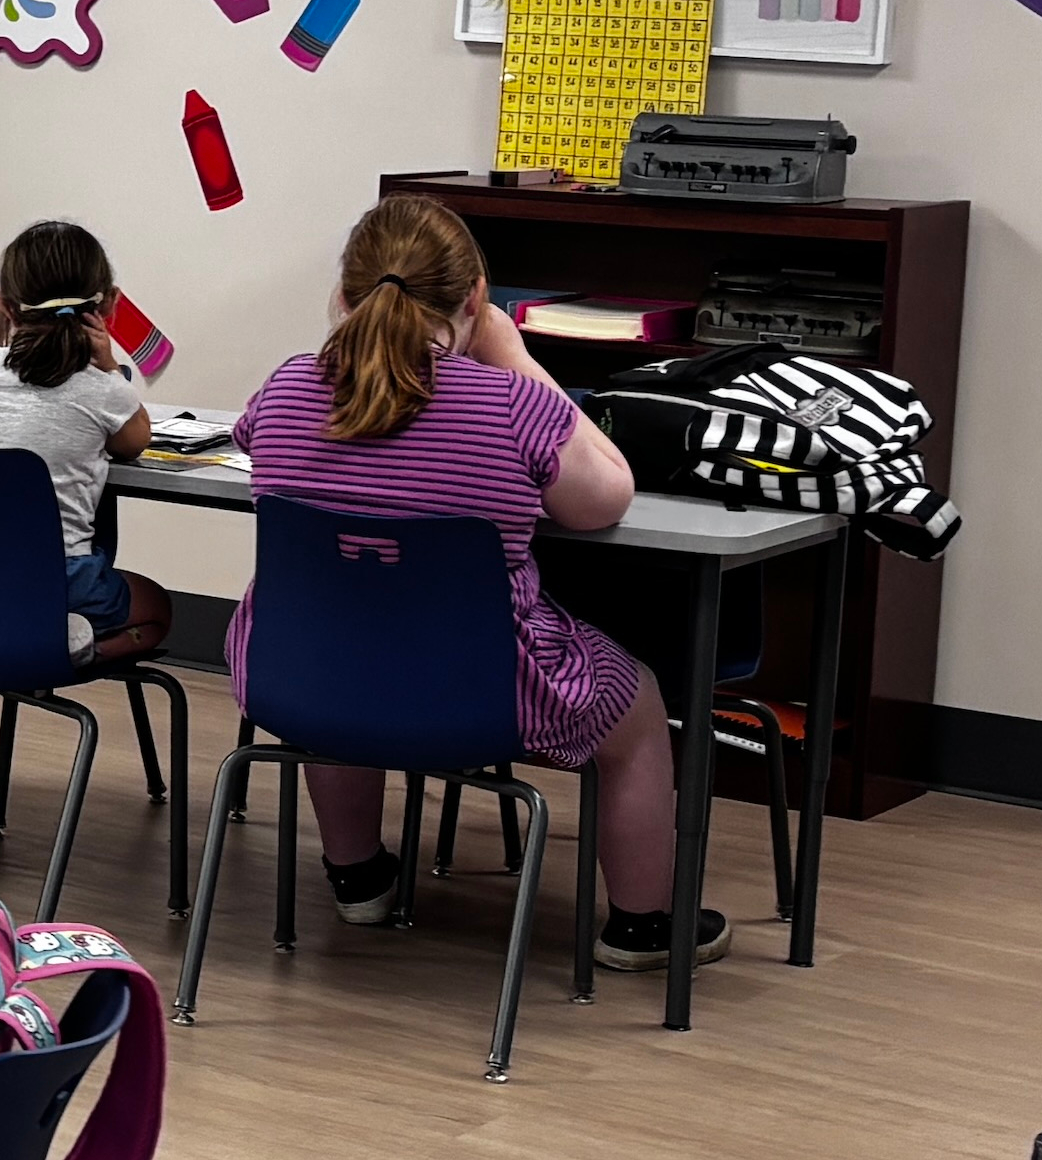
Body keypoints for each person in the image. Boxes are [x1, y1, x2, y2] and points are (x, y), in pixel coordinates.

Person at [230, 194, 724, 970]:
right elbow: (607, 497)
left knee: (347, 636)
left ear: (344, 296)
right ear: (474, 301)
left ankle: (357, 877)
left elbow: (254, 439)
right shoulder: (513, 404)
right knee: (640, 708)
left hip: (303, 671)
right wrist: (514, 354)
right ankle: (644, 925)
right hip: (489, 686)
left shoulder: (288, 386)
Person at [0, 217, 174, 664]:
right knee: (157, 607)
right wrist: (109, 367)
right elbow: (134, 441)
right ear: (110, 307)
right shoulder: (102, 388)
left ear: (5, 306)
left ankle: (33, 640)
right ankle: (67, 650)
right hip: (59, 581)